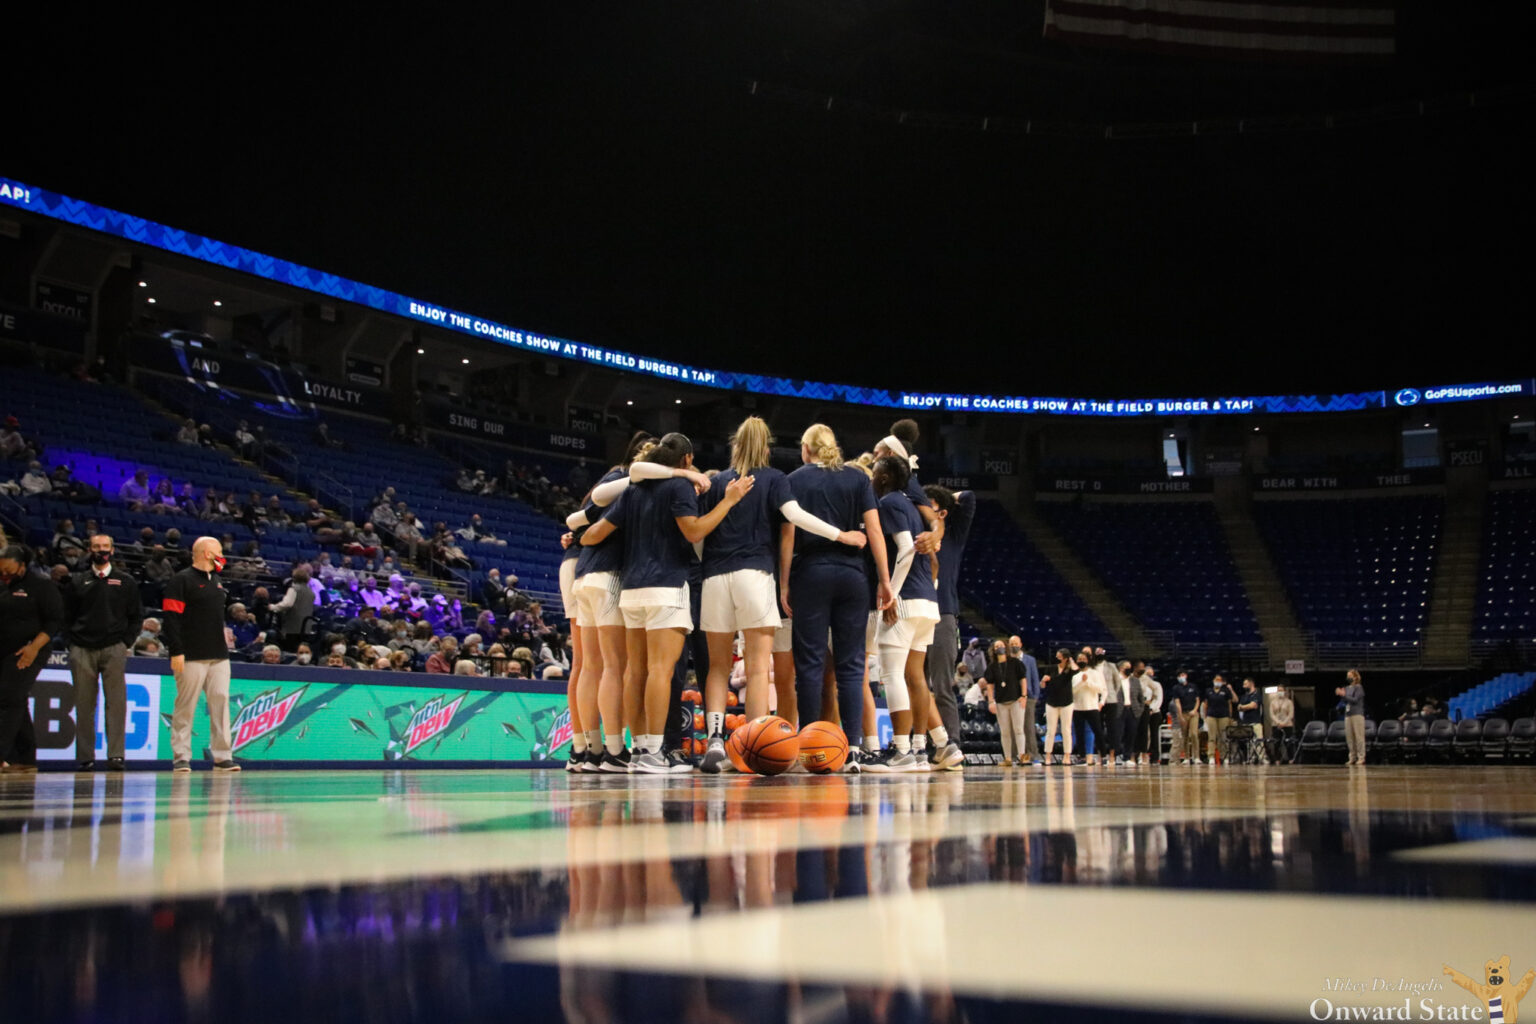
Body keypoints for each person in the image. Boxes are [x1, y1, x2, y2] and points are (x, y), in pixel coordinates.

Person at [694, 417, 865, 773]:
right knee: (757, 669)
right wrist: (842, 535)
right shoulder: (773, 479)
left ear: (735, 445)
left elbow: (698, 536)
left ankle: (714, 741)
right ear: (767, 448)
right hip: (755, 576)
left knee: (717, 667)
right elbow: (796, 516)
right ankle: (751, 748)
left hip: (714, 578)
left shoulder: (715, 482)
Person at [580, 432, 753, 774]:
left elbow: (592, 534)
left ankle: (640, 746)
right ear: (687, 460)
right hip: (667, 586)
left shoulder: (632, 490)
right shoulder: (679, 488)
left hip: (630, 589)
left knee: (636, 672)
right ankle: (654, 752)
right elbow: (693, 531)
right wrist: (728, 501)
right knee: (660, 670)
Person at [785, 425, 894, 770]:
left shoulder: (794, 479)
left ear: (806, 449)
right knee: (852, 666)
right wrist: (885, 580)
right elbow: (874, 531)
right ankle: (855, 750)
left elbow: (787, 534)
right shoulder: (858, 478)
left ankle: (809, 744)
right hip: (853, 576)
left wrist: (784, 583)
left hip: (811, 574)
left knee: (810, 665)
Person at [862, 455, 944, 774]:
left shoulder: (890, 503)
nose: (872, 475)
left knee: (892, 675)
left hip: (906, 598)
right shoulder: (910, 504)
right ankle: (920, 751)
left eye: (875, 470)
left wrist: (889, 593)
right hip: (927, 601)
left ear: (884, 477)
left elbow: (906, 549)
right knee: (916, 677)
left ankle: (901, 750)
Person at [64, 533, 143, 770]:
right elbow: (65, 616)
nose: (101, 550)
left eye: (105, 546)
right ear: (90, 549)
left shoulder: (125, 581)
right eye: (97, 546)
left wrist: (125, 642)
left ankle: (116, 755)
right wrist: (72, 643)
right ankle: (85, 757)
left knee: (116, 703)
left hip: (113, 648)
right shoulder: (78, 581)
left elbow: (136, 616)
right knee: (84, 705)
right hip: (82, 648)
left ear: (113, 549)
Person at [163, 537, 240, 772]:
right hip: (191, 654)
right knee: (186, 705)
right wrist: (176, 650)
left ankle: (222, 755)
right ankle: (181, 756)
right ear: (207, 553)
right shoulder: (181, 580)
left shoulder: (216, 580)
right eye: (218, 551)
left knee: (220, 702)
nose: (221, 555)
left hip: (219, 654)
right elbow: (171, 619)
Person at [0, 545, 65, 774]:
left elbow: (54, 620)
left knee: (10, 696)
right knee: (15, 700)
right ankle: (26, 758)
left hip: (31, 650)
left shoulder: (41, 585)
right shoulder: (3, 584)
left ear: (22, 565)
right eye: (1, 571)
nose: (5, 575)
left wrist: (34, 648)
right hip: (3, 650)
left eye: (9, 570)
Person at [922, 484, 975, 754]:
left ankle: (952, 741)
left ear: (942, 512)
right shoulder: (916, 534)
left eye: (929, 506)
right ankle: (918, 743)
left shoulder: (953, 536)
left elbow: (968, 498)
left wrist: (945, 501)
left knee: (941, 684)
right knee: (916, 683)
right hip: (916, 613)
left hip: (942, 615)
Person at [983, 639, 1027, 765]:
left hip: (1016, 700)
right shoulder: (992, 667)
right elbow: (990, 685)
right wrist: (991, 701)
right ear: (994, 650)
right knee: (1005, 731)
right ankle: (1007, 758)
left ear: (1006, 647)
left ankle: (1022, 756)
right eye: (997, 646)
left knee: (1019, 729)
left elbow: (1023, 679)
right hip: (1001, 702)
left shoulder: (1015, 663)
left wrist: (1024, 696)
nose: (999, 648)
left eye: (1001, 645)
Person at [1042, 648, 1076, 766]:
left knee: (1066, 730)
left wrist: (1071, 661)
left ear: (1065, 658)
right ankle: (1047, 756)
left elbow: (1077, 670)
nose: (1057, 658)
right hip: (1052, 701)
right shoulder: (1051, 668)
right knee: (1050, 730)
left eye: (1060, 656)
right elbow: (1043, 684)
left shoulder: (1070, 670)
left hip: (1067, 702)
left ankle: (1067, 755)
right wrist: (1044, 681)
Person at [1012, 637, 1042, 764]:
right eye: (1012, 644)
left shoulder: (1030, 660)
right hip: (1012, 697)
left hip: (1028, 697)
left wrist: (1035, 696)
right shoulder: (1008, 660)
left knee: (1029, 727)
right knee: (1014, 728)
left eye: (1016, 644)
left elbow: (1035, 678)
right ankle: (1014, 756)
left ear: (1021, 644)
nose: (1014, 646)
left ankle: (1033, 755)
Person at [1071, 652, 1105, 766]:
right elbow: (1072, 691)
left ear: (1088, 660)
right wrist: (1082, 682)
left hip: (1092, 707)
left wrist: (1087, 682)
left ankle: (1103, 756)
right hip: (1078, 708)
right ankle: (1082, 757)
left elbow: (1100, 689)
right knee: (1079, 734)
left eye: (1083, 659)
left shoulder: (1095, 673)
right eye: (1079, 659)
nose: (1081, 660)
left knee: (1098, 732)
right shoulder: (1075, 676)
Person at [1170, 669, 1203, 765]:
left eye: (1183, 674)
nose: (1182, 676)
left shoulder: (1193, 686)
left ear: (1186, 675)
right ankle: (1187, 757)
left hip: (1193, 713)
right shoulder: (1176, 688)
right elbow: (1177, 702)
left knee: (1194, 734)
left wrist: (1195, 710)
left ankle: (1196, 756)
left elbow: (1197, 700)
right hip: (1183, 712)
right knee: (1184, 735)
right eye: (1180, 675)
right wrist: (1180, 716)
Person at [1337, 669, 1366, 766]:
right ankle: (1352, 757)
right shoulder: (1347, 688)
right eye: (1347, 675)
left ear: (1355, 677)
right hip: (1348, 714)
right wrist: (1341, 694)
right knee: (1349, 737)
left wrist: (1344, 695)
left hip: (1357, 714)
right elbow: (1345, 701)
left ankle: (1361, 757)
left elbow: (1355, 700)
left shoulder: (1359, 687)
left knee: (1359, 736)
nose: (1348, 677)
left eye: (1350, 675)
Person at [1204, 674, 1234, 765]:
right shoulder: (1208, 691)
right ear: (1213, 680)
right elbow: (1205, 704)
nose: (1218, 681)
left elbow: (1229, 704)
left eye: (1219, 680)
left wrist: (1230, 716)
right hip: (1211, 716)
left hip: (1223, 716)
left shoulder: (1226, 691)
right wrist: (1205, 717)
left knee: (1223, 737)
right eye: (1216, 679)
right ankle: (1211, 756)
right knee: (1212, 737)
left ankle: (1224, 756)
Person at [1236, 677, 1264, 763]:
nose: (1243, 686)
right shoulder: (1244, 696)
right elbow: (1238, 707)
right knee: (1248, 744)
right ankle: (1250, 759)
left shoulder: (1257, 695)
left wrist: (1243, 707)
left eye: (1245, 684)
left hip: (1255, 722)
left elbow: (1253, 705)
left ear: (1251, 684)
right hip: (1246, 723)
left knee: (1259, 742)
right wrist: (1244, 707)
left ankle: (1261, 758)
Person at [1269, 683, 1295, 764]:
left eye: (1281, 690)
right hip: (1276, 725)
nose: (1279, 692)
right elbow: (1272, 714)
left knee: (1288, 742)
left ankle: (1291, 758)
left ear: (1284, 691)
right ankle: (1277, 759)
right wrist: (1278, 722)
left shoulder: (1289, 702)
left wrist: (1284, 723)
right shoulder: (1273, 702)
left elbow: (1291, 714)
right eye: (1278, 690)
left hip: (1287, 725)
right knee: (1277, 742)